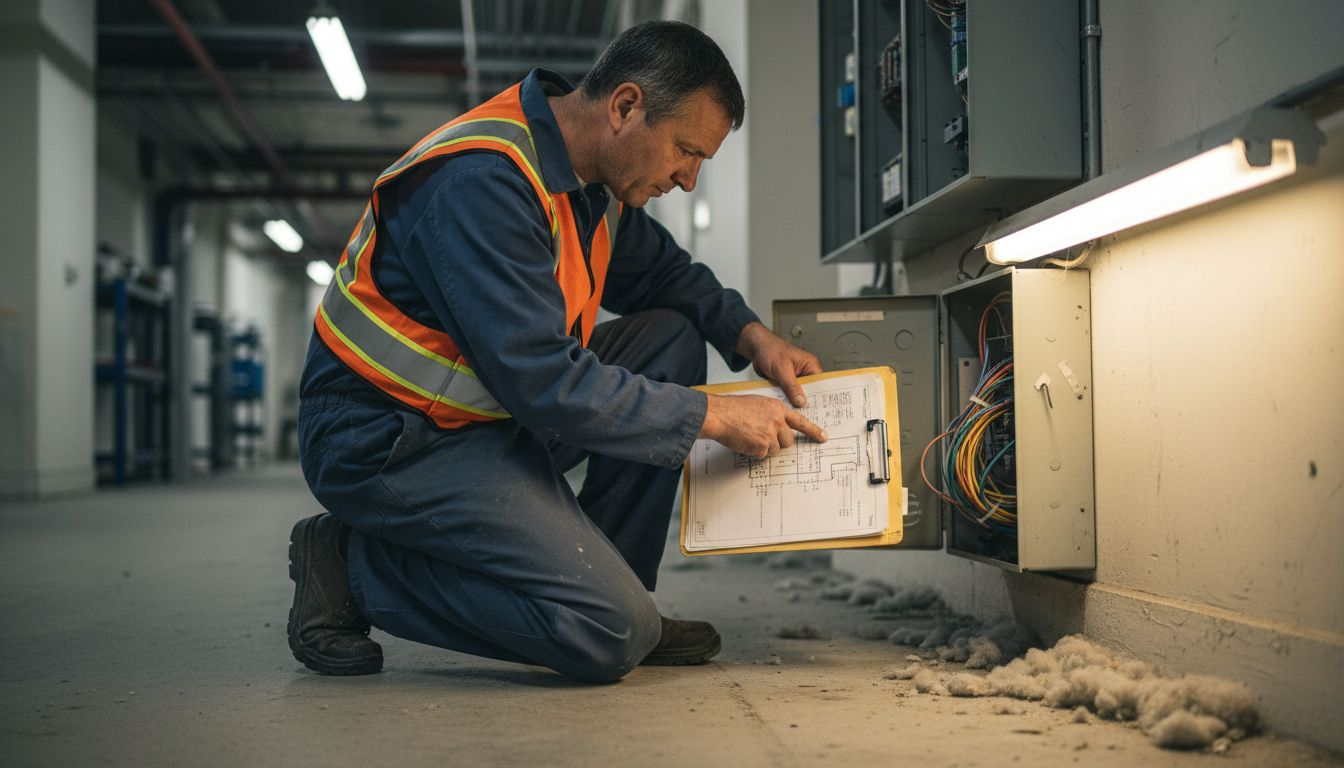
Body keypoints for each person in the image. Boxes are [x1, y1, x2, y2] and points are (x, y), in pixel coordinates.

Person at [289, 20, 826, 684]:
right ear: (626, 107)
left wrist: (755, 338)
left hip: (483, 425)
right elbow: (541, 380)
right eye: (687, 151)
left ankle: (623, 591)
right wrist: (713, 417)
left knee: (670, 339)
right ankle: (350, 567)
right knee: (606, 633)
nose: (687, 180)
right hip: (387, 440)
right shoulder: (481, 183)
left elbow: (666, 278)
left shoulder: (589, 186)